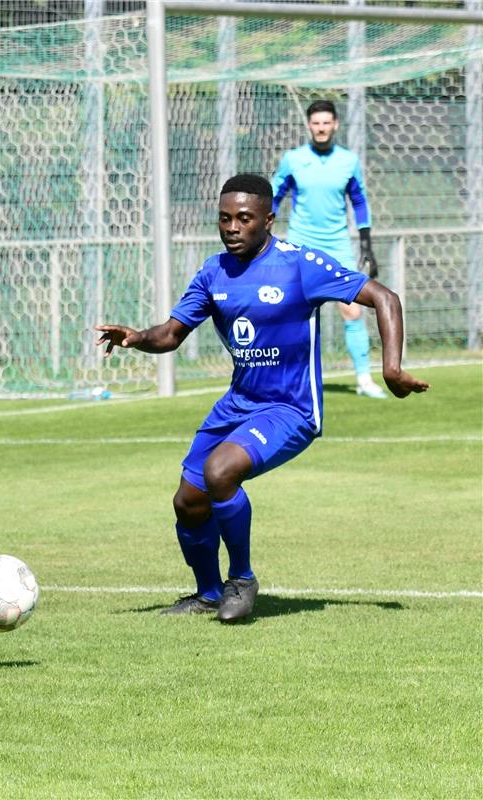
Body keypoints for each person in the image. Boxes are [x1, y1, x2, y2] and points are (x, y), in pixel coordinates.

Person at [95, 174, 427, 622]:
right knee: (188, 501)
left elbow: (384, 297)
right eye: (225, 218)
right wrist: (136, 337)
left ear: (268, 220)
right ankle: (208, 593)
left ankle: (242, 580)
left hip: (291, 408)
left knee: (220, 471)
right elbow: (171, 334)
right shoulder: (213, 272)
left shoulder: (298, 264)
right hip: (238, 403)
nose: (232, 227)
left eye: (244, 219)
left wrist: (391, 367)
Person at [271, 99, 387, 399]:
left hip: (337, 244)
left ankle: (363, 379)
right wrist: (264, 232)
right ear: (309, 126)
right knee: (289, 311)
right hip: (299, 244)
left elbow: (359, 201)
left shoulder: (348, 161)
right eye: (316, 123)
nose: (321, 128)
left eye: (326, 123)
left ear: (335, 125)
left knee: (352, 311)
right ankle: (284, 379)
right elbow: (274, 195)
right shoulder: (293, 159)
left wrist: (366, 244)